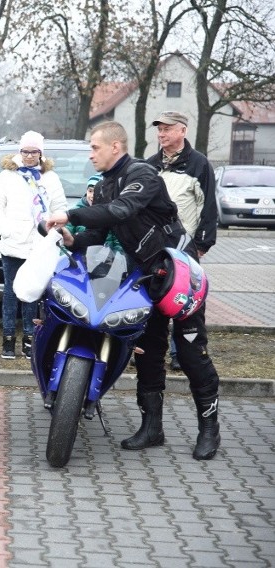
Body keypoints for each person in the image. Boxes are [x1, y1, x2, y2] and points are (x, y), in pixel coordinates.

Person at [45, 120, 221, 461]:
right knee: (149, 349)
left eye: (95, 148)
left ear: (115, 147)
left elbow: (121, 210)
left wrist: (68, 214)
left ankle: (209, 429)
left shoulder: (142, 174)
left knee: (189, 352)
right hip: (143, 275)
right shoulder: (108, 184)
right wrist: (73, 239)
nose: (90, 155)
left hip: (176, 272)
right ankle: (152, 427)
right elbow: (96, 234)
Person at [147, 111, 218, 372]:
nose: (161, 134)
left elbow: (208, 207)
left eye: (167, 129)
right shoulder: (151, 164)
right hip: (153, 247)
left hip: (184, 248)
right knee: (153, 298)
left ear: (182, 131)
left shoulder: (199, 164)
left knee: (183, 301)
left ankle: (181, 353)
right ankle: (149, 349)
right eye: (159, 130)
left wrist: (201, 244)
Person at [0, 131, 67, 359]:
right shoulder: (7, 176)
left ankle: (30, 339)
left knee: (33, 292)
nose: (29, 156)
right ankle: (8, 339)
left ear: (41, 153)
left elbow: (59, 206)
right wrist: (6, 229)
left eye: (33, 152)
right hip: (13, 241)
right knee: (11, 292)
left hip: (38, 243)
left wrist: (52, 233)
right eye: (25, 151)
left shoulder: (50, 178)